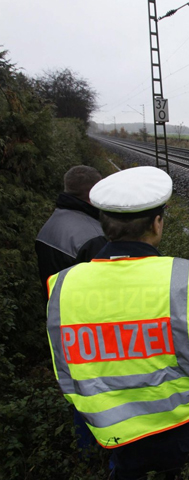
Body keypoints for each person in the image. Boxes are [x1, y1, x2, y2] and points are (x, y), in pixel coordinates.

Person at [45, 166, 189, 479]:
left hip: (120, 441)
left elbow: (67, 368)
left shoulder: (61, 286)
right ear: (157, 223)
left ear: (103, 224)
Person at [36, 165, 107, 452]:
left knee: (79, 390)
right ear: (92, 194)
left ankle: (85, 451)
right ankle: (101, 449)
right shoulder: (91, 236)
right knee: (98, 392)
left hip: (61, 322)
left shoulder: (50, 225)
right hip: (89, 329)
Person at [36, 165, 107, 300]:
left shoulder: (51, 224)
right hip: (81, 315)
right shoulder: (94, 237)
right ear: (95, 192)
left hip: (55, 311)